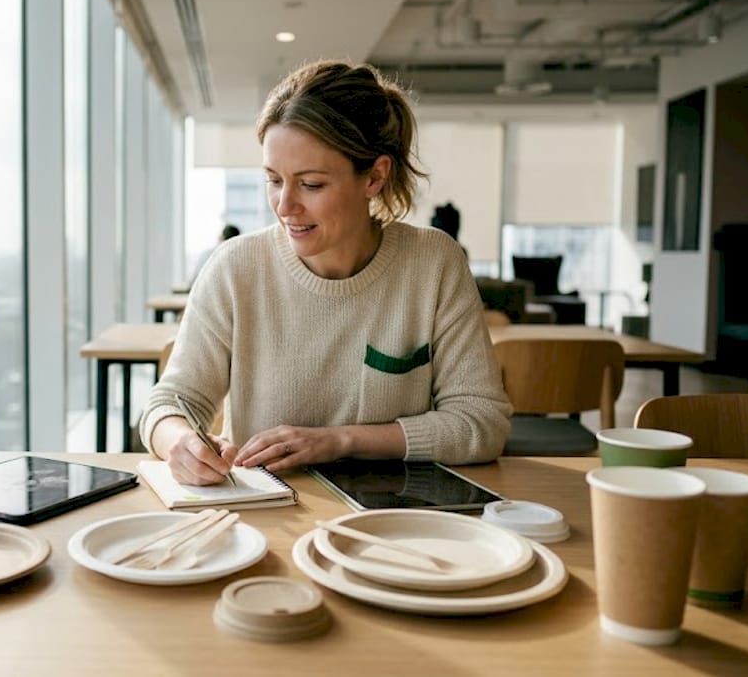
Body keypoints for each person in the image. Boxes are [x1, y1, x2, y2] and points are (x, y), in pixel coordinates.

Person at [140, 60, 511, 486]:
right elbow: (168, 404)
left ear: (374, 176)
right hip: (265, 519)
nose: (284, 205)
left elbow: (481, 423)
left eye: (311, 184)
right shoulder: (235, 268)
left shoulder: (433, 263)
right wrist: (181, 443)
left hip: (399, 520)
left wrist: (340, 441)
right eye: (274, 180)